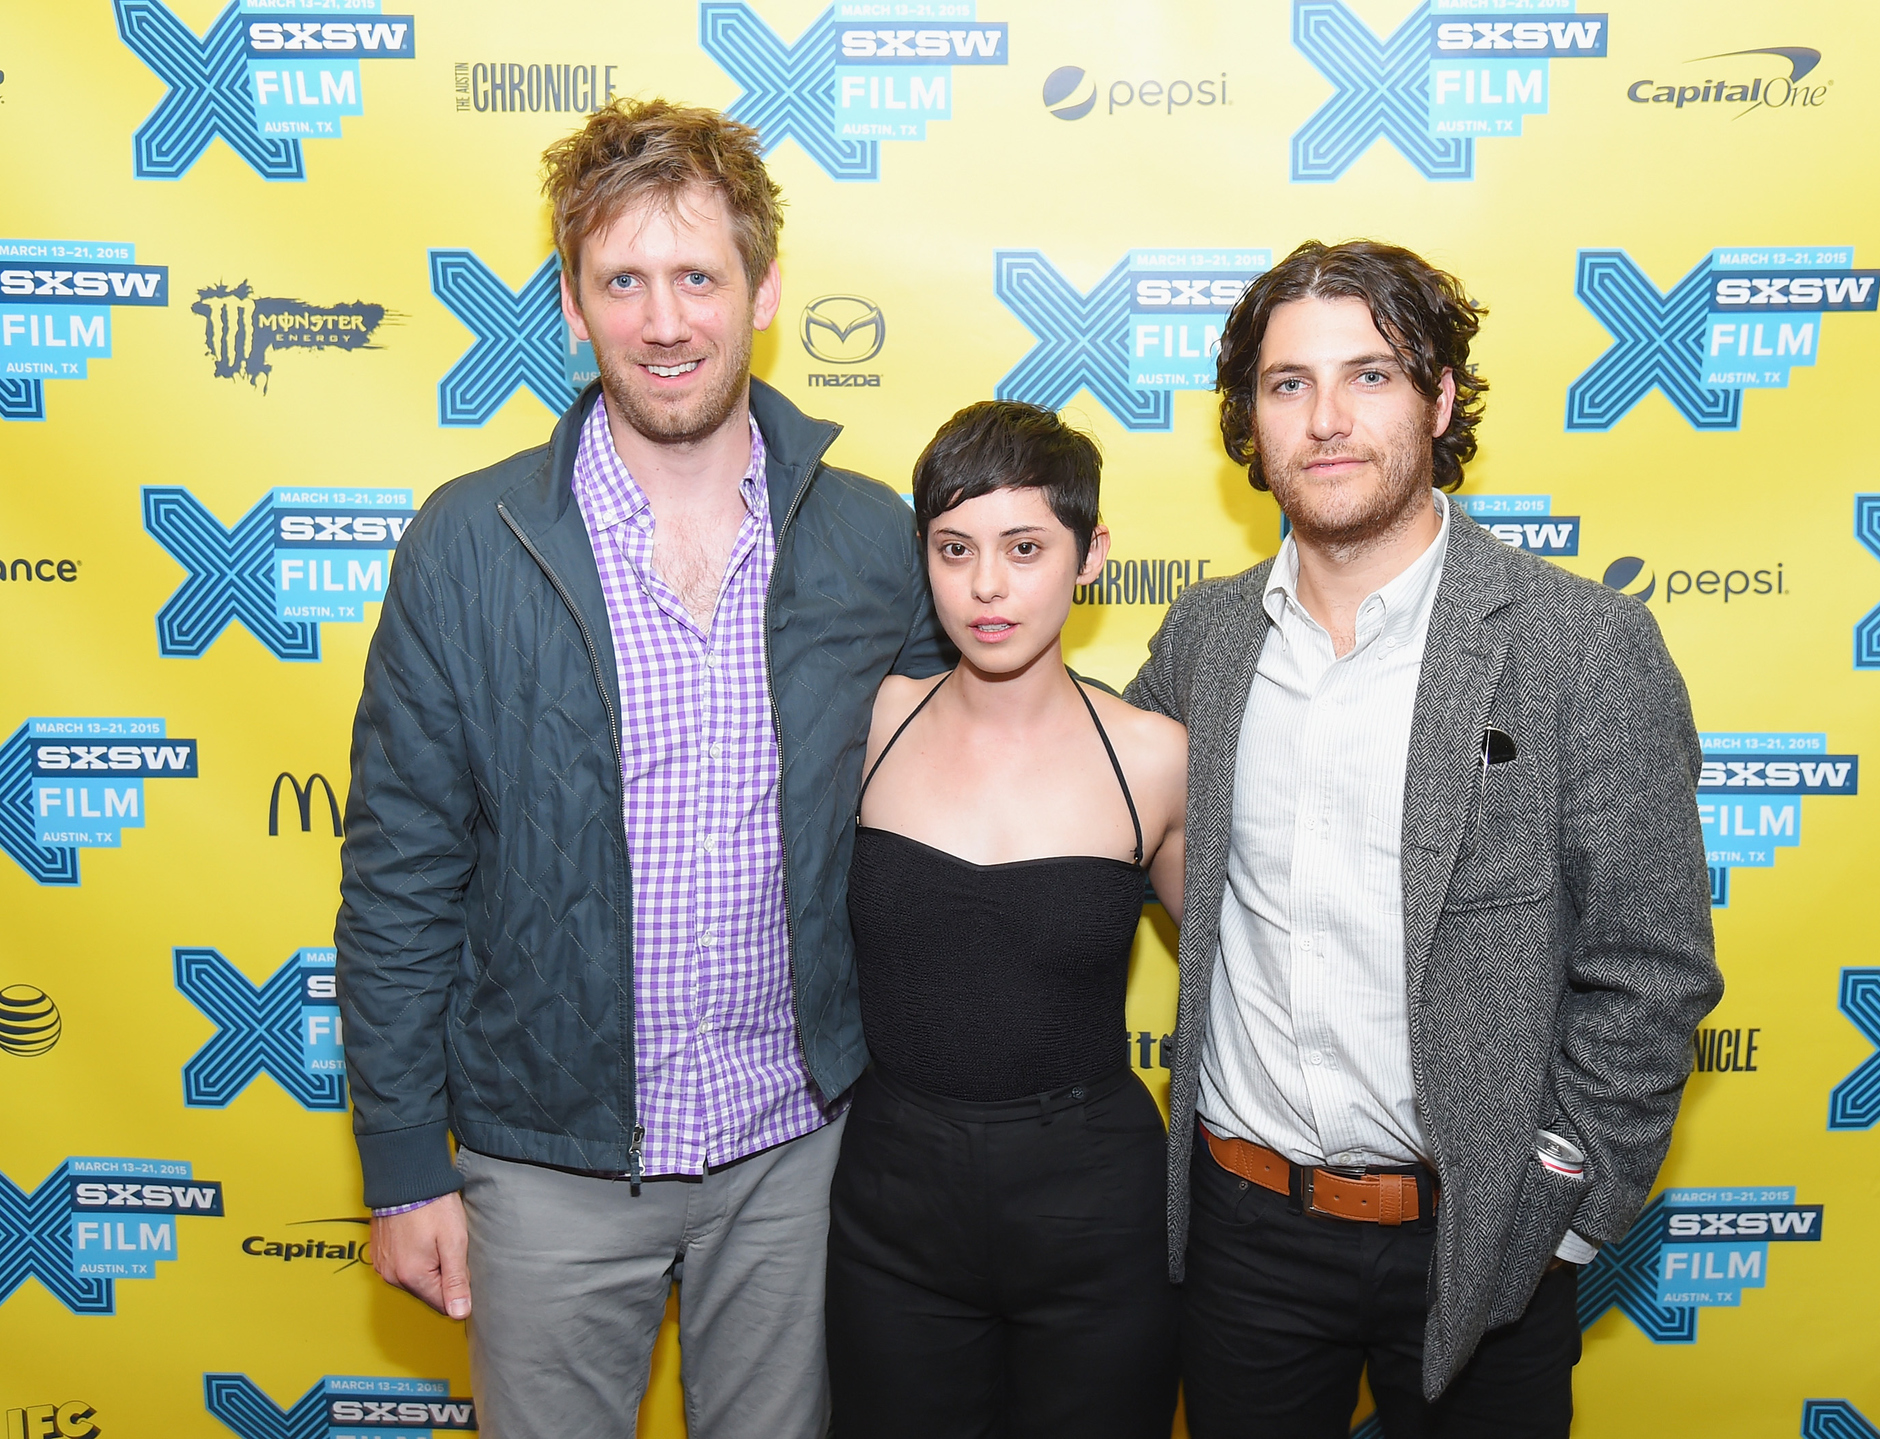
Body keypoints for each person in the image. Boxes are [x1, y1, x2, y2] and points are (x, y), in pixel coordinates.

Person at [334, 99, 945, 1439]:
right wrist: (398, 1163)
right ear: (571, 300)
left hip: (799, 1146)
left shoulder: (868, 540)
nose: (663, 321)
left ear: (763, 291)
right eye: (622, 279)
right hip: (543, 1158)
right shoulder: (466, 543)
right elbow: (399, 878)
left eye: (696, 277)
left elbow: (959, 824)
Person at [1124, 239, 1723, 1438]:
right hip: (1242, 1237)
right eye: (1287, 383)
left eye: (1371, 376)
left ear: (1440, 398)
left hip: (1482, 1236)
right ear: (1249, 419)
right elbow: (1107, 808)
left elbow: (1650, 965)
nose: (1327, 418)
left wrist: (1555, 1215)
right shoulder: (1204, 639)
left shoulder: (1579, 648)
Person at [825, 401, 1188, 1439]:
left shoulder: (1152, 753)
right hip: (891, 1200)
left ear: (1089, 557)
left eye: (1024, 548)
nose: (986, 586)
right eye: (954, 549)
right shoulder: (874, 718)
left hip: (1094, 1211)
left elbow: (1248, 962)